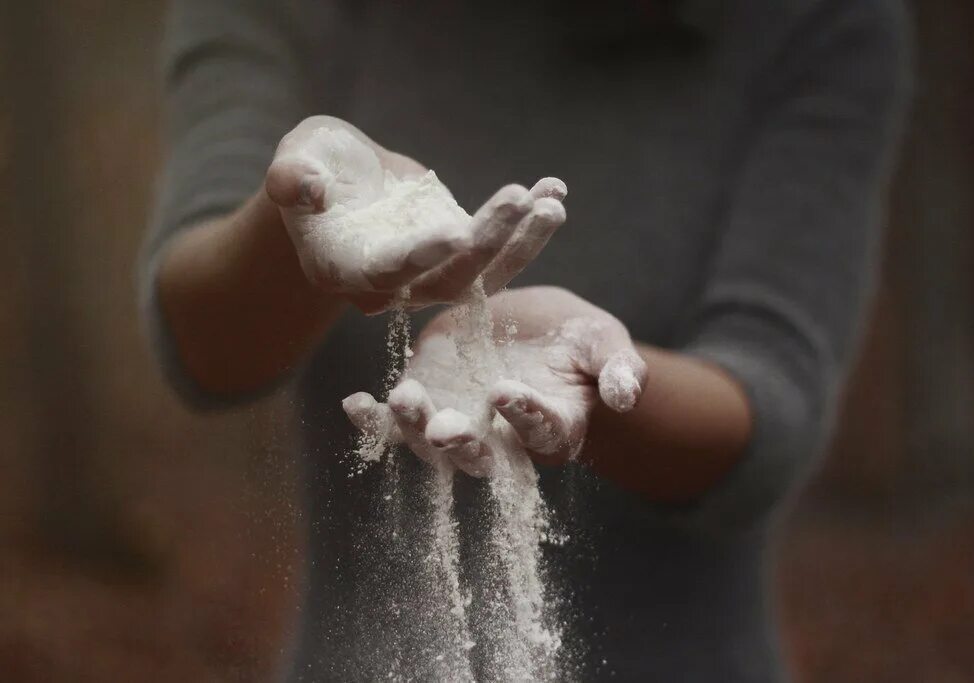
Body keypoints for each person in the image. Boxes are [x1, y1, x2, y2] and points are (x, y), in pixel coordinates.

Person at [142, 0, 911, 679]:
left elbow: (774, 407)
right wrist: (302, 228)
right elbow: (204, 349)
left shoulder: (814, 21)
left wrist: (598, 385)